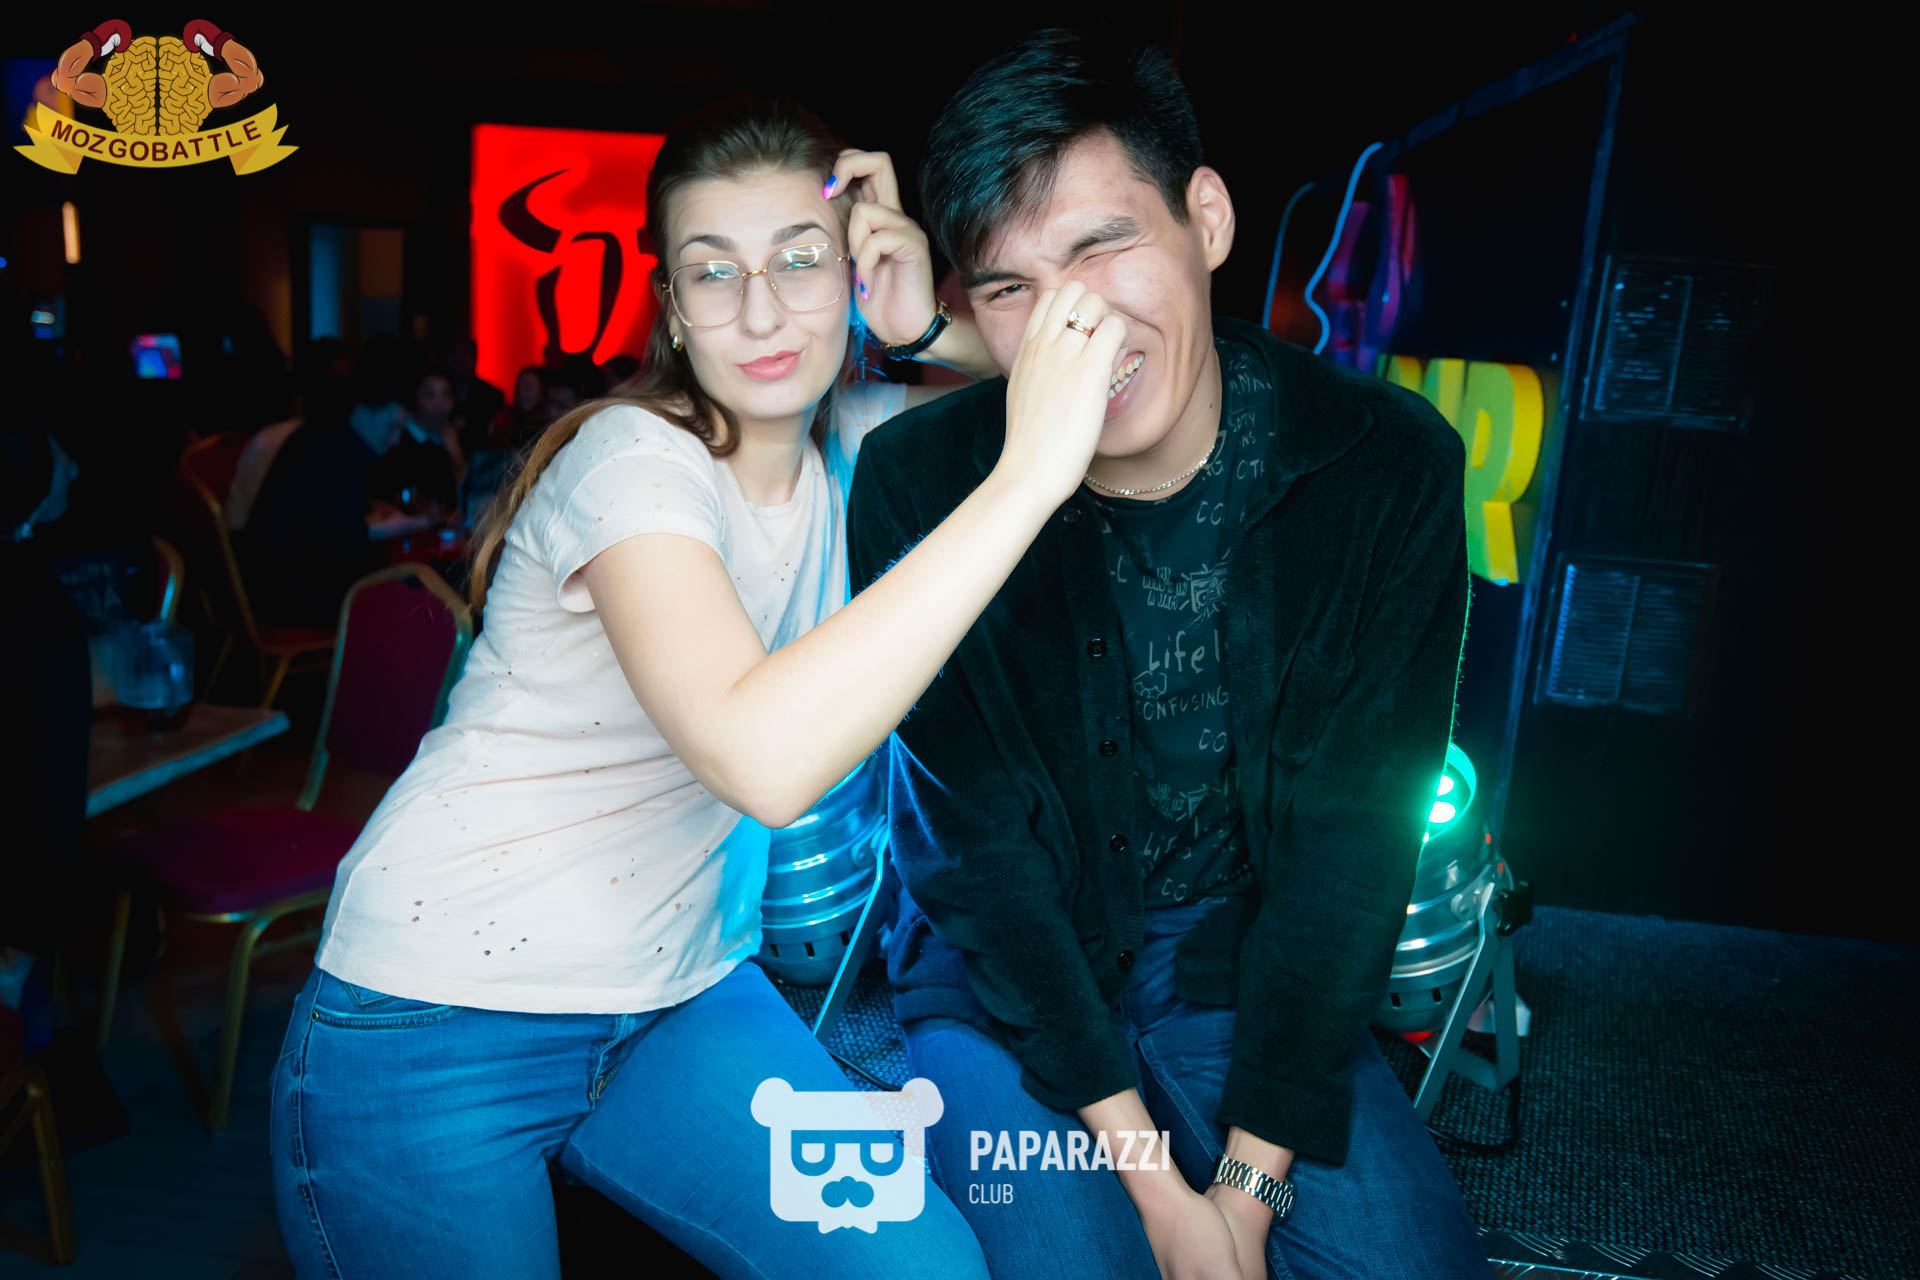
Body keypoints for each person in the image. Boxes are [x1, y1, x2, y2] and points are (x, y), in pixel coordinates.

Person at [268, 95, 1124, 1279]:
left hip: (673, 1002)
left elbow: (1096, 374)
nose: (762, 312)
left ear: (852, 273)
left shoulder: (856, 441)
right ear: (672, 306)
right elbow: (762, 759)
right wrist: (1023, 479)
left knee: (918, 1264)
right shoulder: (632, 461)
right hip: (436, 1014)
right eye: (714, 273)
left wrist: (928, 319)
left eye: (800, 260)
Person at [845, 30, 1489, 1280]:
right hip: (1005, 972)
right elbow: (975, 861)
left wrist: (1243, 1193)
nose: (1072, 320)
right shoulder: (919, 483)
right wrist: (1157, 1191)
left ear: (1208, 217)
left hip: (1237, 957)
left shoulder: (1386, 468)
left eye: (1102, 244)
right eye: (1012, 286)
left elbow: (1352, 852)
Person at [242, 334, 436, 629]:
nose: (395, 440)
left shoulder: (322, 435)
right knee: (424, 601)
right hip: (292, 599)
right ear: (366, 412)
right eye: (391, 428)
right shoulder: (342, 453)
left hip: (272, 584)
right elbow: (340, 550)